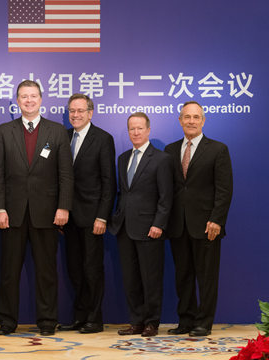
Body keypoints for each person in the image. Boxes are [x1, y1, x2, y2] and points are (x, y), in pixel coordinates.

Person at [0, 79, 73, 336]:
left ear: (41, 99)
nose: (29, 100)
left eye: (33, 96)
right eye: (24, 97)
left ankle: (47, 321)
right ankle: (7, 322)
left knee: (47, 271)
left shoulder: (57, 131)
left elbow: (66, 175)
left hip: (47, 212)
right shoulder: (4, 130)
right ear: (18, 101)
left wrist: (63, 207)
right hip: (12, 213)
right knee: (9, 273)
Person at [164, 101, 233, 337]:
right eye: (187, 117)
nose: (191, 121)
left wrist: (217, 219)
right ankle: (186, 320)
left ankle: (204, 322)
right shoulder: (171, 151)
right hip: (178, 225)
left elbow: (224, 189)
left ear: (203, 121)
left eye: (196, 117)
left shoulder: (218, 149)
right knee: (182, 276)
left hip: (207, 226)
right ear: (180, 120)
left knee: (206, 277)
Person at [110, 112, 172, 337]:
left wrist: (159, 224)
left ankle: (151, 322)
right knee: (131, 278)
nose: (135, 133)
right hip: (124, 228)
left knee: (151, 278)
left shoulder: (161, 159)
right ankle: (136, 321)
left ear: (148, 130)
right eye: (131, 129)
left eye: (139, 128)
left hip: (150, 228)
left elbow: (166, 197)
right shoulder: (123, 158)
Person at [58, 94, 116, 334]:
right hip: (68, 218)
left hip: (93, 218)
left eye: (81, 111)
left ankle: (95, 318)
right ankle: (80, 317)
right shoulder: (63, 136)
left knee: (92, 269)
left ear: (90, 113)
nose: (76, 115)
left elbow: (108, 182)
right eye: (72, 110)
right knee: (74, 269)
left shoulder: (103, 139)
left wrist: (102, 216)